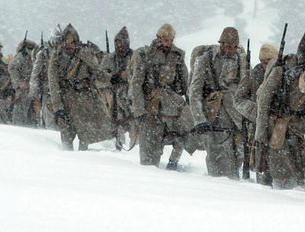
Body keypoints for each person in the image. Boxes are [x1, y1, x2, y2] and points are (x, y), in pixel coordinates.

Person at [255, 33, 305, 189]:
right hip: (284, 124)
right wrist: (262, 131)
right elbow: (264, 98)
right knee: (283, 175)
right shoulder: (283, 69)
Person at [189, 27, 246, 179]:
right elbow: (194, 92)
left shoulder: (241, 60)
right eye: (228, 46)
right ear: (221, 43)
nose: (231, 50)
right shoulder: (205, 59)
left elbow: (248, 89)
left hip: (236, 118)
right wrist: (199, 120)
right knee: (215, 161)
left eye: (234, 47)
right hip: (212, 117)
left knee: (237, 159)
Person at [130, 23, 189, 167]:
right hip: (150, 104)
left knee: (182, 133)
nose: (168, 42)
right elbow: (137, 83)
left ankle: (173, 162)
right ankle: (151, 172)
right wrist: (139, 109)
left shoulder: (177, 55)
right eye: (165, 38)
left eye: (171, 39)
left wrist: (185, 99)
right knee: (149, 147)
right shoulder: (145, 54)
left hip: (171, 104)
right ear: (158, 37)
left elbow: (185, 82)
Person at [48, 23, 111, 150]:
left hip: (85, 103)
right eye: (67, 42)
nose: (70, 45)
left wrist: (112, 77)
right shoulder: (56, 57)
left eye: (72, 42)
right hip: (65, 102)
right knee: (66, 140)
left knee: (86, 139)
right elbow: (53, 85)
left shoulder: (85, 54)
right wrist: (58, 108)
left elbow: (98, 73)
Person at [235, 43, 278, 185]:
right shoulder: (253, 74)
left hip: (278, 126)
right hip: (258, 127)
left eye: (268, 62)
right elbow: (238, 99)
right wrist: (258, 112)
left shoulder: (281, 73)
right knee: (260, 161)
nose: (264, 65)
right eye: (262, 62)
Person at [99, 26, 135, 150]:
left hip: (132, 97)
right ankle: (117, 150)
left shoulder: (135, 57)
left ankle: (134, 151)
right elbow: (100, 77)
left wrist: (128, 76)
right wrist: (114, 77)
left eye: (123, 43)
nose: (120, 46)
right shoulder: (109, 58)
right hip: (114, 98)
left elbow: (140, 76)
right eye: (117, 43)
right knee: (116, 127)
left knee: (134, 127)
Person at [30, 26, 60, 129]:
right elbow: (34, 76)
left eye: (59, 40)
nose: (57, 42)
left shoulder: (63, 53)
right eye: (56, 39)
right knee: (50, 123)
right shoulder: (43, 54)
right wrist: (35, 96)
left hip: (61, 93)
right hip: (47, 92)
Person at [9, 38, 38, 126]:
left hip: (32, 89)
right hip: (23, 90)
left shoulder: (35, 56)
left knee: (32, 113)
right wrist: (19, 82)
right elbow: (12, 67)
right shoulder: (21, 56)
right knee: (19, 113)